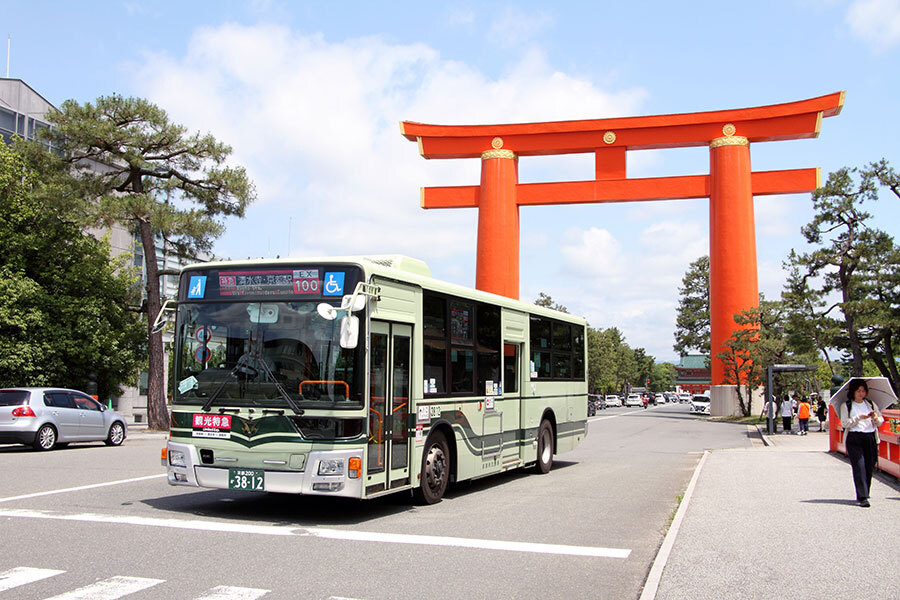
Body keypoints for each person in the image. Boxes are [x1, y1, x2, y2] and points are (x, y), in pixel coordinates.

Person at [839, 379, 884, 507]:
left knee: (869, 466)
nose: (861, 393)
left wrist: (875, 418)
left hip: (870, 436)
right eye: (858, 391)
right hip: (854, 437)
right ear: (853, 392)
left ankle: (866, 491)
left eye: (863, 391)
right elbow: (845, 423)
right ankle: (862, 496)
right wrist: (858, 417)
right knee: (859, 466)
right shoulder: (847, 405)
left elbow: (880, 420)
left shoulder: (870, 404)